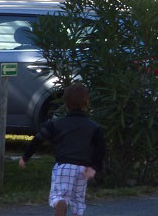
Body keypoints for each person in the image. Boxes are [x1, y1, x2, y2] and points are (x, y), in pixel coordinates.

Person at [19, 82, 106, 216]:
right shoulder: (93, 126)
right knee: (78, 201)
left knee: (59, 196)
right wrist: (94, 167)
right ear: (87, 103)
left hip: (64, 166)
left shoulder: (56, 124)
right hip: (83, 168)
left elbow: (38, 139)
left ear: (65, 104)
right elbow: (100, 149)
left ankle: (60, 203)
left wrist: (25, 157)